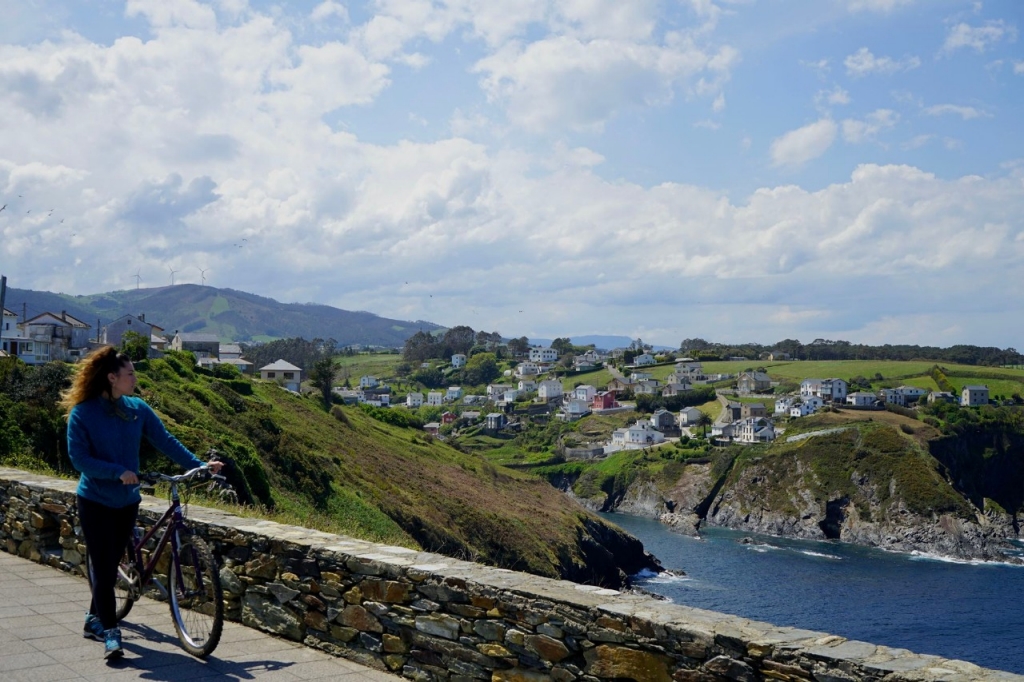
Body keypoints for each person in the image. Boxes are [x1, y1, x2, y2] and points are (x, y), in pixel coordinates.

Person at [62, 346, 223, 660]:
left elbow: (164, 440)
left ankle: (93, 619)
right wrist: (116, 472)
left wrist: (199, 464)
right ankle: (111, 634)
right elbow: (79, 459)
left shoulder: (137, 409)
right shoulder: (84, 413)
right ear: (112, 378)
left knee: (110, 565)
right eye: (130, 374)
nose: (135, 378)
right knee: (106, 569)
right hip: (95, 500)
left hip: (127, 501)